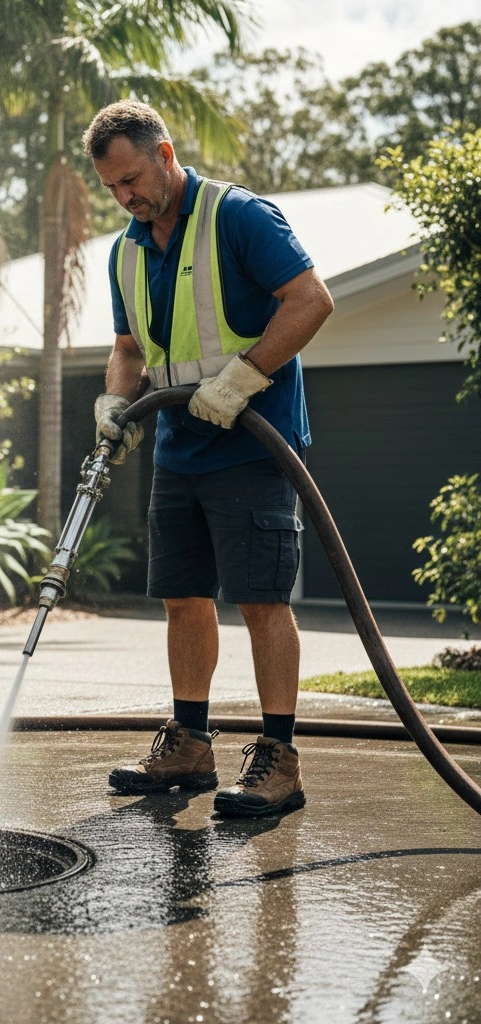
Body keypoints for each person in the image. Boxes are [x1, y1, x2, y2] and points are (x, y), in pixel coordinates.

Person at [82, 99, 334, 817]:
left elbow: (311, 300)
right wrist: (115, 404)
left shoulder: (239, 216)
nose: (125, 197)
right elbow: (130, 349)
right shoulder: (126, 250)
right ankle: (190, 744)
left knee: (259, 600)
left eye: (132, 178)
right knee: (183, 597)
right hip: (179, 446)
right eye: (111, 188)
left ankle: (279, 758)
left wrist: (244, 376)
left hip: (255, 442)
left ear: (164, 155)